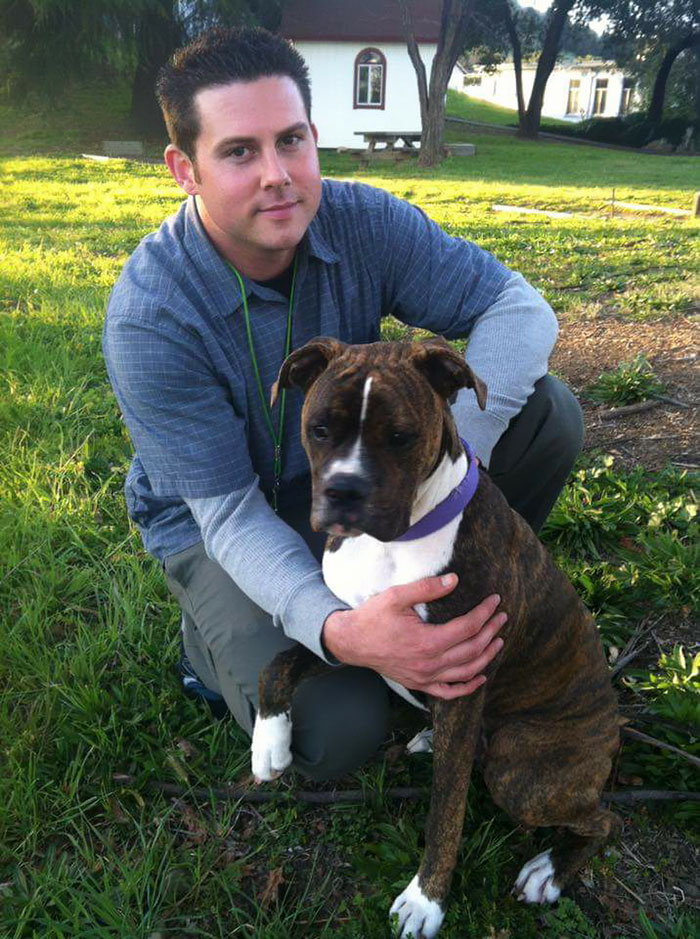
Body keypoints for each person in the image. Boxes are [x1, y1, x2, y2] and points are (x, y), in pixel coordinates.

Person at [102, 26, 584, 781]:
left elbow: (520, 309)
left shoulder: (363, 221)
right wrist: (341, 631)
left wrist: (468, 449)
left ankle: (453, 592)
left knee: (549, 415)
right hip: (224, 517)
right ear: (183, 169)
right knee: (339, 734)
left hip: (366, 477)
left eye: (291, 140)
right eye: (239, 151)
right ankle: (211, 641)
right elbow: (226, 514)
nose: (278, 175)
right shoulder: (152, 317)